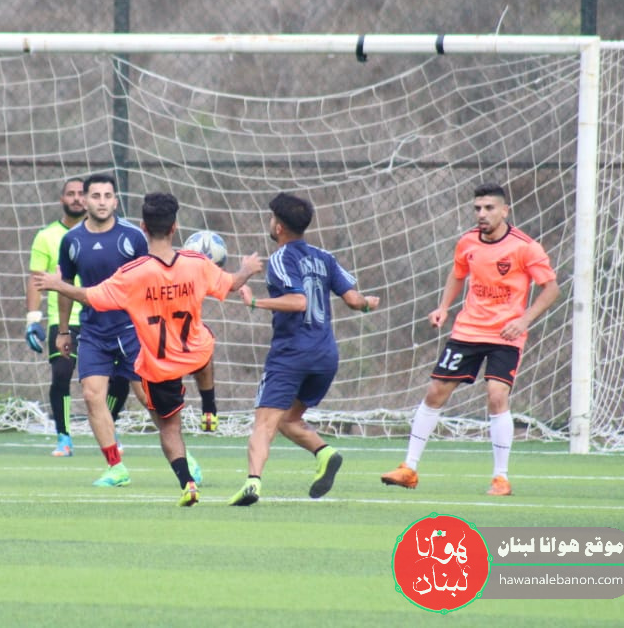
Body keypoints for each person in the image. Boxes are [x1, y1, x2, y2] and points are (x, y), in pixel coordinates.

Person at [36, 192, 262, 505]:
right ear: (175, 227)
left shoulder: (133, 274)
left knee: (169, 428)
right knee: (205, 342)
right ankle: (209, 407)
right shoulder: (197, 263)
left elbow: (91, 297)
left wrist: (58, 284)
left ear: (143, 227)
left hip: (160, 363)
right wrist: (248, 268)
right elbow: (233, 284)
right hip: (193, 353)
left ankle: (187, 483)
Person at [381, 182, 558, 496]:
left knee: (496, 396)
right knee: (435, 392)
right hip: (468, 331)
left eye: (489, 208)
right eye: (477, 208)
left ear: (505, 211)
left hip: (505, 334)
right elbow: (458, 274)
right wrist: (443, 307)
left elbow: (551, 289)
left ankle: (500, 478)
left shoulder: (525, 247)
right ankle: (409, 468)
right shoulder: (467, 242)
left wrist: (523, 320)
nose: (482, 214)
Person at [229, 192, 379, 506]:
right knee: (288, 419)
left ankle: (253, 483)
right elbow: (353, 300)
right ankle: (325, 453)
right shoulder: (324, 257)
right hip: (325, 356)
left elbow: (299, 302)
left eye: (272, 218)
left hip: (292, 355)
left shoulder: (280, 259)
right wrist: (368, 304)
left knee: (264, 422)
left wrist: (255, 302)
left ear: (279, 227)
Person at [52, 172, 151, 487]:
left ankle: (183, 457)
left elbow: (150, 283)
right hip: (93, 331)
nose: (102, 202)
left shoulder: (133, 237)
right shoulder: (72, 241)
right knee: (92, 395)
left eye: (108, 196)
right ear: (85, 200)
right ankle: (116, 467)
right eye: (95, 196)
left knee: (148, 396)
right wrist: (64, 330)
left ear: (116, 201)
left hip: (131, 329)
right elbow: (65, 286)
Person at [24, 177, 130, 457]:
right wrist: (33, 319)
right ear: (63, 199)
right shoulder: (48, 236)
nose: (76, 198)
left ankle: (108, 426)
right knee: (61, 373)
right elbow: (36, 279)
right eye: (70, 193)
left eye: (81, 193)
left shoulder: (114, 235)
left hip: (103, 318)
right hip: (65, 318)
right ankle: (64, 437)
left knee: (121, 379)